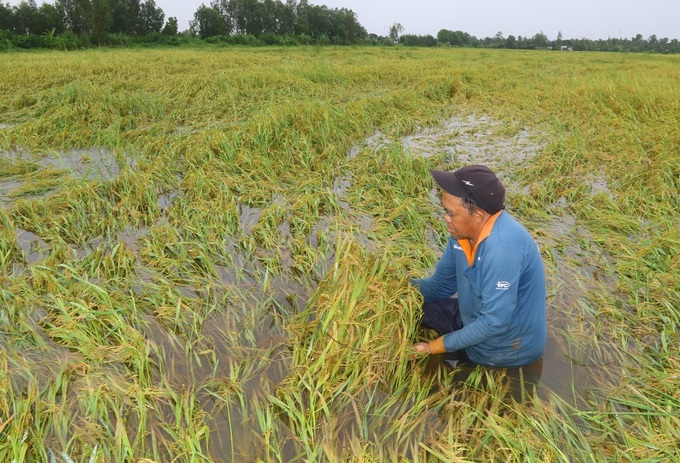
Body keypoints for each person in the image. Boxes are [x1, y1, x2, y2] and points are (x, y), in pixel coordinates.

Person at [411, 165, 546, 367]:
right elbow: (440, 286)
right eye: (444, 211)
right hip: (475, 318)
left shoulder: (503, 249)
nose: (445, 218)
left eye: (451, 213)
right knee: (417, 306)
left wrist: (432, 347)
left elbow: (493, 323)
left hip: (504, 348)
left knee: (453, 387)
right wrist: (397, 289)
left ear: (478, 216)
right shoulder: (460, 235)